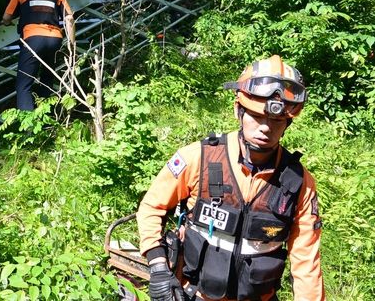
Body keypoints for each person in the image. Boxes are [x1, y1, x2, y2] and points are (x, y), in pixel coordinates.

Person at [137, 55, 325, 301]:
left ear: (287, 123)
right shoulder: (199, 158)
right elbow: (152, 207)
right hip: (195, 294)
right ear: (239, 110)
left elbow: (306, 263)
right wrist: (159, 267)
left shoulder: (298, 184)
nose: (266, 127)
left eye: (277, 120)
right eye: (257, 116)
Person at [1, 0, 74, 111]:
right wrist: (71, 45)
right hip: (55, 39)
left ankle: (29, 129)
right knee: (47, 79)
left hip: (33, 39)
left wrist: (7, 22)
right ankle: (45, 118)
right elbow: (69, 19)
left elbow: (7, 17)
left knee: (24, 85)